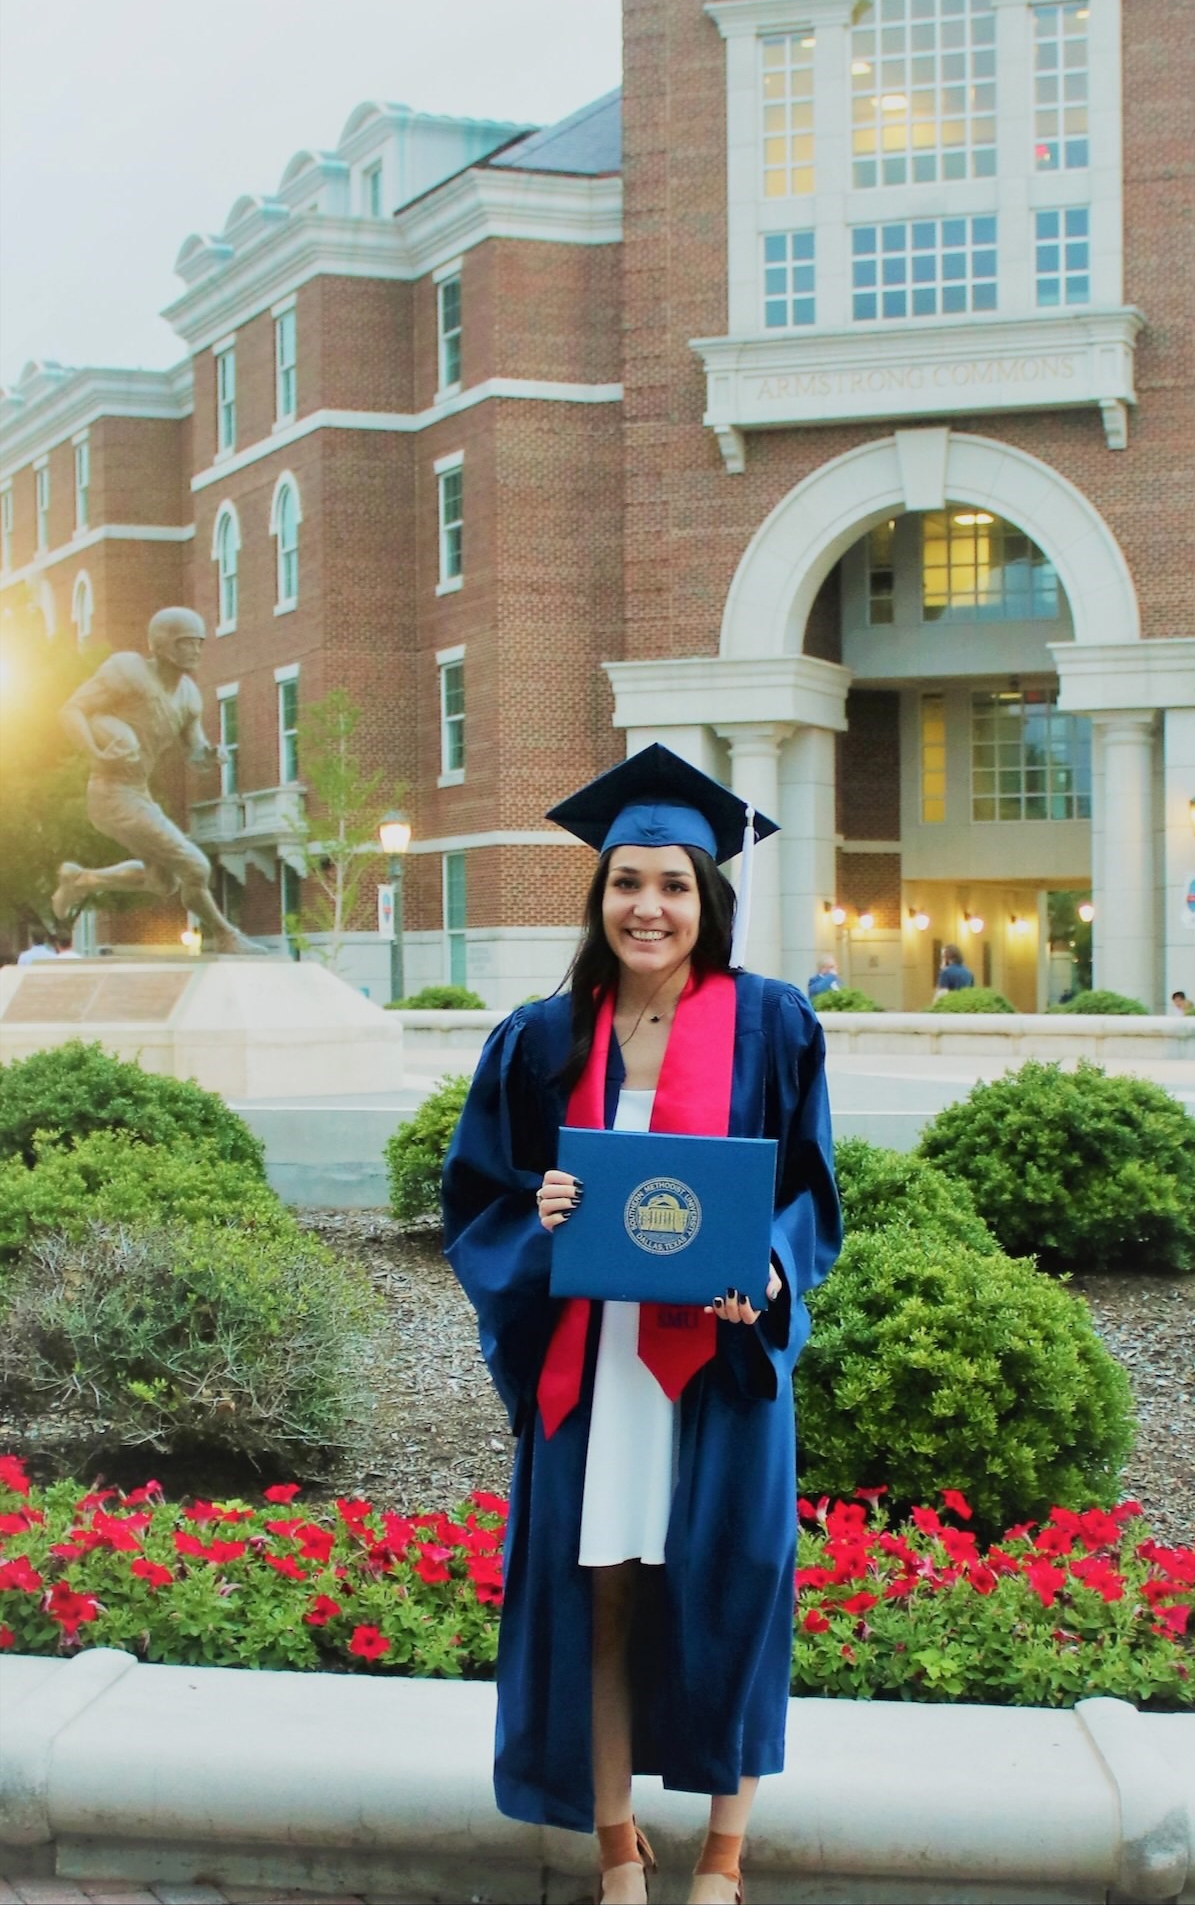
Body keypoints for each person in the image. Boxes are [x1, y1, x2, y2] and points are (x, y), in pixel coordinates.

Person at [442, 745, 842, 1905]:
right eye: (626, 882)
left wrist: (764, 1274)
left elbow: (808, 1191)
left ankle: (723, 1854)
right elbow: (479, 1195)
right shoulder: (539, 1034)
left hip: (715, 1356)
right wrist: (541, 1213)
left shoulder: (771, 1024)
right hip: (593, 1362)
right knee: (601, 1587)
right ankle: (617, 1847)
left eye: (671, 883)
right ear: (598, 895)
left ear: (706, 896)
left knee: (735, 1579)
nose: (647, 906)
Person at [51, 607, 260, 953]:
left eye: (198, 643)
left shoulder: (189, 695)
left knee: (162, 882)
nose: (195, 651)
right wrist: (94, 752)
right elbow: (71, 710)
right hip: (110, 794)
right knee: (196, 867)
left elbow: (194, 751)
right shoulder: (127, 671)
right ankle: (227, 935)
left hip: (137, 793)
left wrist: (208, 755)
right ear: (161, 646)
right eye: (185, 643)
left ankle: (80, 879)